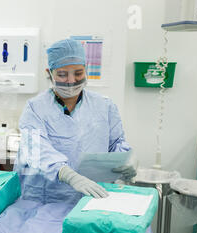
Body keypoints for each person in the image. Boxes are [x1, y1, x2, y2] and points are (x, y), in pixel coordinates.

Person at [14, 39, 136, 205]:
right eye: (62, 74)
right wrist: (67, 174)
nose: (71, 81)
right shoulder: (35, 108)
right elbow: (36, 149)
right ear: (49, 73)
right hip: (45, 200)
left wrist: (125, 161)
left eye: (78, 73)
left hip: (90, 198)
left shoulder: (104, 106)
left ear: (86, 70)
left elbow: (116, 143)